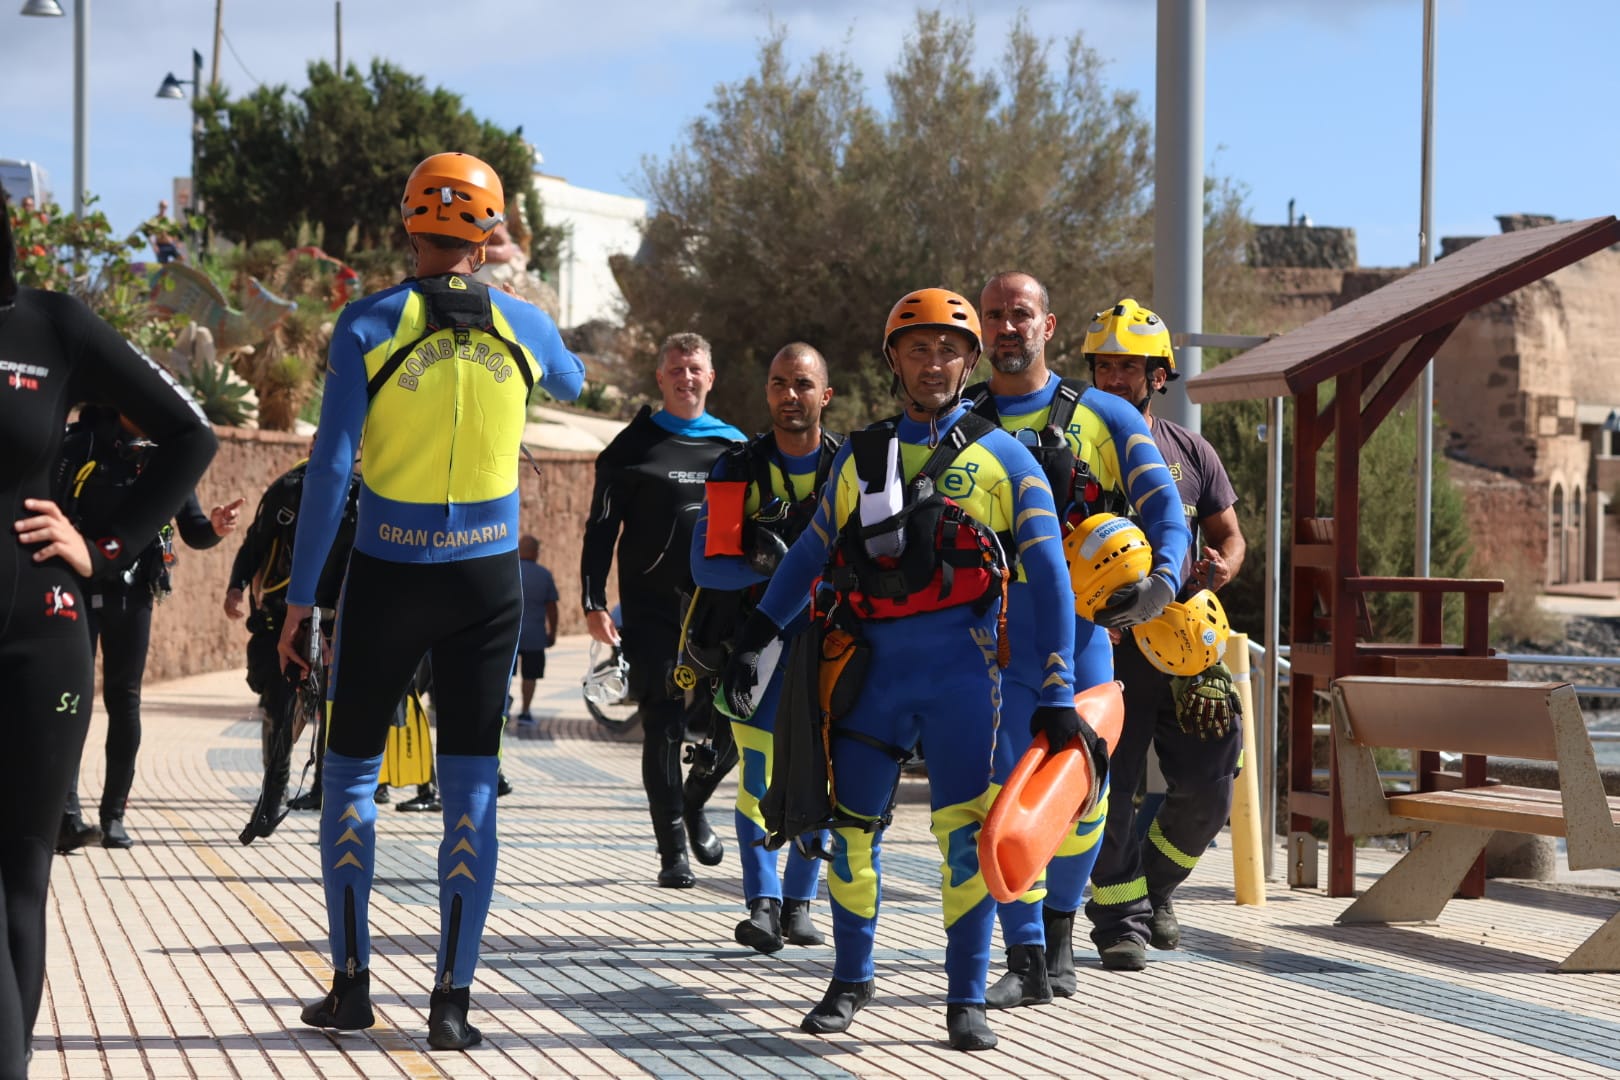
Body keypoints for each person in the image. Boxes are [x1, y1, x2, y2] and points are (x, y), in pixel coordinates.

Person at [720, 288, 1104, 1052]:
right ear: (893, 359)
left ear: (970, 361)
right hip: (872, 677)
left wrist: (1058, 691)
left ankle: (966, 999)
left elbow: (1054, 581)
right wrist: (758, 631)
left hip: (966, 683)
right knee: (852, 834)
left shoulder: (1009, 460)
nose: (934, 363)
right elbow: (809, 554)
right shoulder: (864, 457)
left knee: (965, 840)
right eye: (918, 349)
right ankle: (850, 979)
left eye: (949, 350)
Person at [276, 151, 584, 1050]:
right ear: (489, 233)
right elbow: (569, 383)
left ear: (407, 225)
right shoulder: (524, 322)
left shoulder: (367, 322)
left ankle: (350, 987)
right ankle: (451, 1005)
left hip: (386, 573)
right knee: (470, 786)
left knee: (349, 778)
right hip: (485, 583)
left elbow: (332, 467)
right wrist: (521, 319)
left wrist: (301, 600)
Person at [1, 190, 217, 1077]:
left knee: (19, 883)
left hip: (38, 632)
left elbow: (190, 435)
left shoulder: (50, 327)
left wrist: (105, 547)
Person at [969, 273, 1189, 1005]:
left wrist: (1160, 584)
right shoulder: (957, 420)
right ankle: (1024, 953)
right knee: (999, 798)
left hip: (1086, 637)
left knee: (1082, 797)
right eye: (994, 315)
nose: (1007, 327)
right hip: (989, 641)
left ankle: (1061, 931)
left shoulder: (1103, 415)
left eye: (1019, 314)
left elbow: (1167, 511)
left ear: (1048, 325)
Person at [1082, 298, 1248, 972]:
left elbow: (1229, 535)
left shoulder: (1191, 451)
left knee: (1214, 773)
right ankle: (1119, 921)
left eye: (1130, 366)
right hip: (1107, 648)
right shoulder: (1068, 451)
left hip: (1185, 645)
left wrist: (1221, 569)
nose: (1116, 376)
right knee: (1111, 788)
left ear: (1158, 376)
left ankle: (1156, 887)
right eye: (1105, 365)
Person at [690, 342, 842, 953]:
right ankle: (762, 903)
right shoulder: (738, 468)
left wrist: (792, 571)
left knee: (823, 777)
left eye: (803, 384)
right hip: (755, 646)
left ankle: (802, 902)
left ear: (825, 395)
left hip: (832, 647)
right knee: (760, 775)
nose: (789, 395)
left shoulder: (849, 467)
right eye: (779, 383)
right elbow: (707, 566)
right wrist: (773, 570)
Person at [581, 332, 746, 889]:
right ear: (660, 377)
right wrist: (592, 600)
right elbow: (600, 530)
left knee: (732, 721)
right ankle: (671, 847)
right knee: (663, 725)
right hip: (653, 611)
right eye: (675, 369)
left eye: (695, 368)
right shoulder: (632, 448)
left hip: (721, 610)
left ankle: (696, 800)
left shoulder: (735, 448)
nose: (686, 377)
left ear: (710, 376)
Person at [53, 405, 244, 851]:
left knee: (125, 701)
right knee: (70, 699)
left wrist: (214, 528)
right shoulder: (82, 444)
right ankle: (65, 815)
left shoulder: (165, 457)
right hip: (75, 590)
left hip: (133, 592)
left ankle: (113, 817)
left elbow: (193, 529)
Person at [223, 442, 360, 839]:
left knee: (334, 709)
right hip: (285, 613)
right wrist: (236, 586)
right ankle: (271, 799)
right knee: (279, 706)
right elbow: (257, 541)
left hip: (339, 615)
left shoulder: (365, 495)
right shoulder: (289, 488)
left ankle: (323, 790)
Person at [512, 533, 559, 726]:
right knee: (530, 676)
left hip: (510, 635)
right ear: (536, 553)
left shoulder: (510, 572)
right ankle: (525, 712)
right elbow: (552, 608)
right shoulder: (544, 575)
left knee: (505, 674)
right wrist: (553, 632)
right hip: (535, 636)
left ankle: (503, 707)